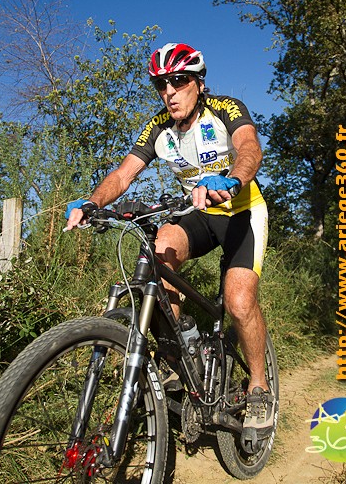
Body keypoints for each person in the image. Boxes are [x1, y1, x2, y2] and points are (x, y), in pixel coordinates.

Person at [66, 42, 276, 448]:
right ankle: (181, 351)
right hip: (198, 212)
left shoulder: (225, 109)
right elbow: (123, 174)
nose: (170, 92)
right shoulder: (159, 126)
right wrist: (93, 202)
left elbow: (250, 148)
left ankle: (258, 386)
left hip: (241, 211)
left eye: (179, 81)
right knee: (158, 252)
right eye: (161, 84)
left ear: (199, 83)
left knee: (238, 301)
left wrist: (233, 178)